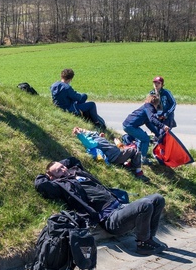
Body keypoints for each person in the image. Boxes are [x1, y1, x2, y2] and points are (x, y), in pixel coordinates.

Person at [35, 157, 166, 254]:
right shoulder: (62, 185)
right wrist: (48, 174)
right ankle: (142, 244)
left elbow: (72, 160)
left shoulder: (77, 172)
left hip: (121, 207)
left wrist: (60, 166)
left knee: (158, 198)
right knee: (145, 205)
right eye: (59, 171)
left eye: (63, 167)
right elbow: (41, 184)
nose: (63, 169)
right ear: (53, 177)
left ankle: (149, 238)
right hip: (111, 219)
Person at [72, 127, 147, 181]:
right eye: (83, 130)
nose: (85, 130)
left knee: (129, 148)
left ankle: (129, 165)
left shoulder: (96, 137)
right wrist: (79, 135)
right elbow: (88, 144)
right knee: (135, 150)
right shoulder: (92, 140)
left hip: (116, 154)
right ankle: (138, 172)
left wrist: (101, 137)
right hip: (116, 156)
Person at [122, 94, 170, 164]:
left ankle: (137, 156)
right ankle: (143, 159)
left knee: (141, 138)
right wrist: (162, 126)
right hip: (130, 126)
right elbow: (152, 119)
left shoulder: (146, 107)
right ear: (156, 103)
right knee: (145, 139)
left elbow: (148, 123)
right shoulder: (149, 107)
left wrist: (157, 134)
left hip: (128, 125)